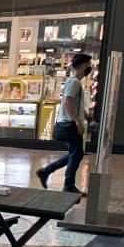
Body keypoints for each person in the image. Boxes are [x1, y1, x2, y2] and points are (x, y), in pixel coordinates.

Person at [37, 53, 91, 195]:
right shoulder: (74, 82)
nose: (89, 68)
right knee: (77, 153)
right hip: (69, 125)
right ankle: (68, 185)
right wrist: (77, 121)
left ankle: (46, 171)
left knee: (75, 153)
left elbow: (75, 105)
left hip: (70, 123)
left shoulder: (76, 83)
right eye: (88, 65)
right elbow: (67, 102)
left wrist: (87, 117)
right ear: (82, 65)